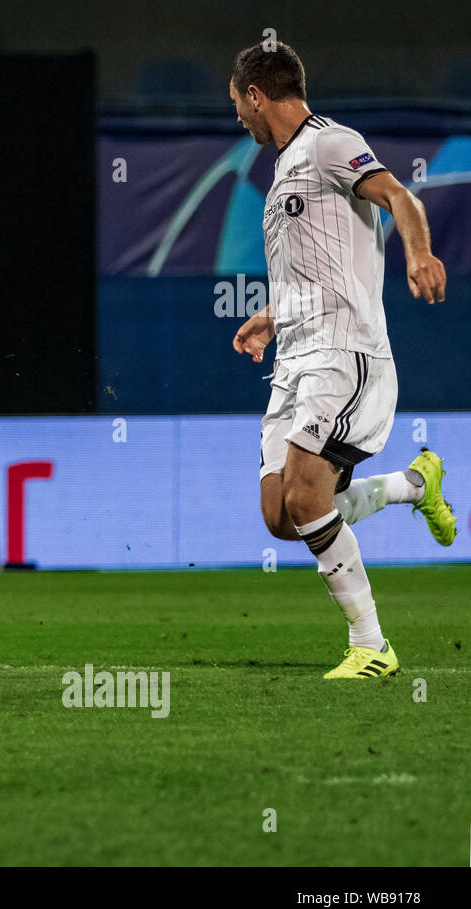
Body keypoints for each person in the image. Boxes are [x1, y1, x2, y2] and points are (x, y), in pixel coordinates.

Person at [227, 43, 455, 679]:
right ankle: (414, 485)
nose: (239, 121)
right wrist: (273, 317)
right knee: (283, 515)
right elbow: (319, 266)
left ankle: (372, 644)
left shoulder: (329, 141)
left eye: (238, 105)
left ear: (255, 95)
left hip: (344, 352)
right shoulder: (281, 171)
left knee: (306, 493)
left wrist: (417, 254)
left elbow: (400, 198)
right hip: (295, 359)